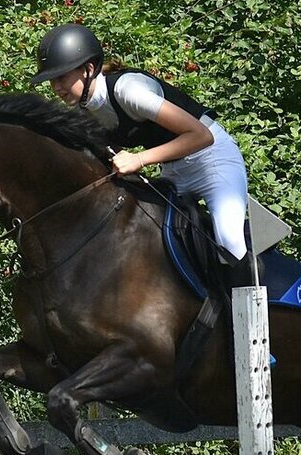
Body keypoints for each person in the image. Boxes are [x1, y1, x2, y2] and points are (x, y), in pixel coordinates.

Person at [30, 24, 254, 288]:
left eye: (61, 77)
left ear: (88, 69)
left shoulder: (129, 91)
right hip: (173, 171)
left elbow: (201, 135)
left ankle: (252, 324)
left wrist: (139, 159)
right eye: (51, 80)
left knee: (229, 244)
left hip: (212, 161)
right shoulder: (86, 110)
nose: (56, 87)